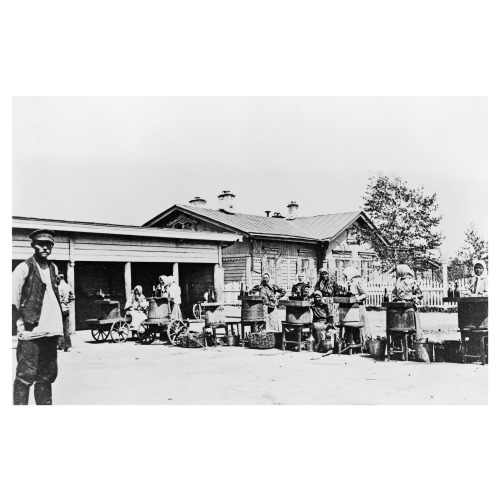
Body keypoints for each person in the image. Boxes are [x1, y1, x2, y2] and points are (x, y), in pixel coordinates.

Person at [12, 229, 63, 405]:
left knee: (46, 377)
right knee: (25, 377)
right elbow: (12, 300)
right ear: (33, 245)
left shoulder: (54, 268)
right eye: (41, 244)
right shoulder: (23, 268)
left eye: (49, 245)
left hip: (50, 332)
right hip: (31, 333)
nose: (45, 248)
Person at [391, 264, 429, 362]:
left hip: (410, 309)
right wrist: (395, 299)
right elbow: (394, 294)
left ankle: (413, 351)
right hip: (399, 309)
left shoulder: (412, 282)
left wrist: (412, 298)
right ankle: (400, 350)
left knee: (412, 330)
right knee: (398, 329)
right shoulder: (398, 282)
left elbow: (419, 295)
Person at [342, 266, 372, 346]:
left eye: (345, 275)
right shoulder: (351, 281)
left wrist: (357, 298)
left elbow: (365, 294)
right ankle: (350, 343)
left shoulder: (359, 281)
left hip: (359, 307)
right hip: (351, 308)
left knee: (359, 326)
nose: (345, 277)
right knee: (350, 325)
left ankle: (362, 344)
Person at [56, 273, 75, 352]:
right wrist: (67, 301)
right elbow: (73, 297)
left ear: (58, 279)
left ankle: (61, 346)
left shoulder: (59, 287)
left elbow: (59, 299)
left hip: (61, 309)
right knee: (66, 328)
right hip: (67, 309)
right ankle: (67, 346)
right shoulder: (68, 286)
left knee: (59, 328)